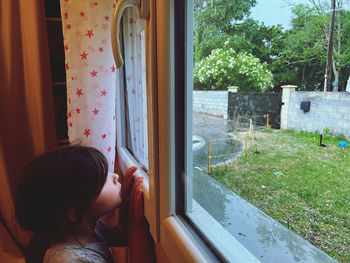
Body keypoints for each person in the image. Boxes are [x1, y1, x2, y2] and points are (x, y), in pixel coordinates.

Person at [15, 145, 154, 263]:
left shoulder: (85, 228)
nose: (115, 176)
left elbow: (122, 235)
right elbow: (129, 234)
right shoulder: (70, 260)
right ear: (76, 212)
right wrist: (138, 229)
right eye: (102, 179)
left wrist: (126, 203)